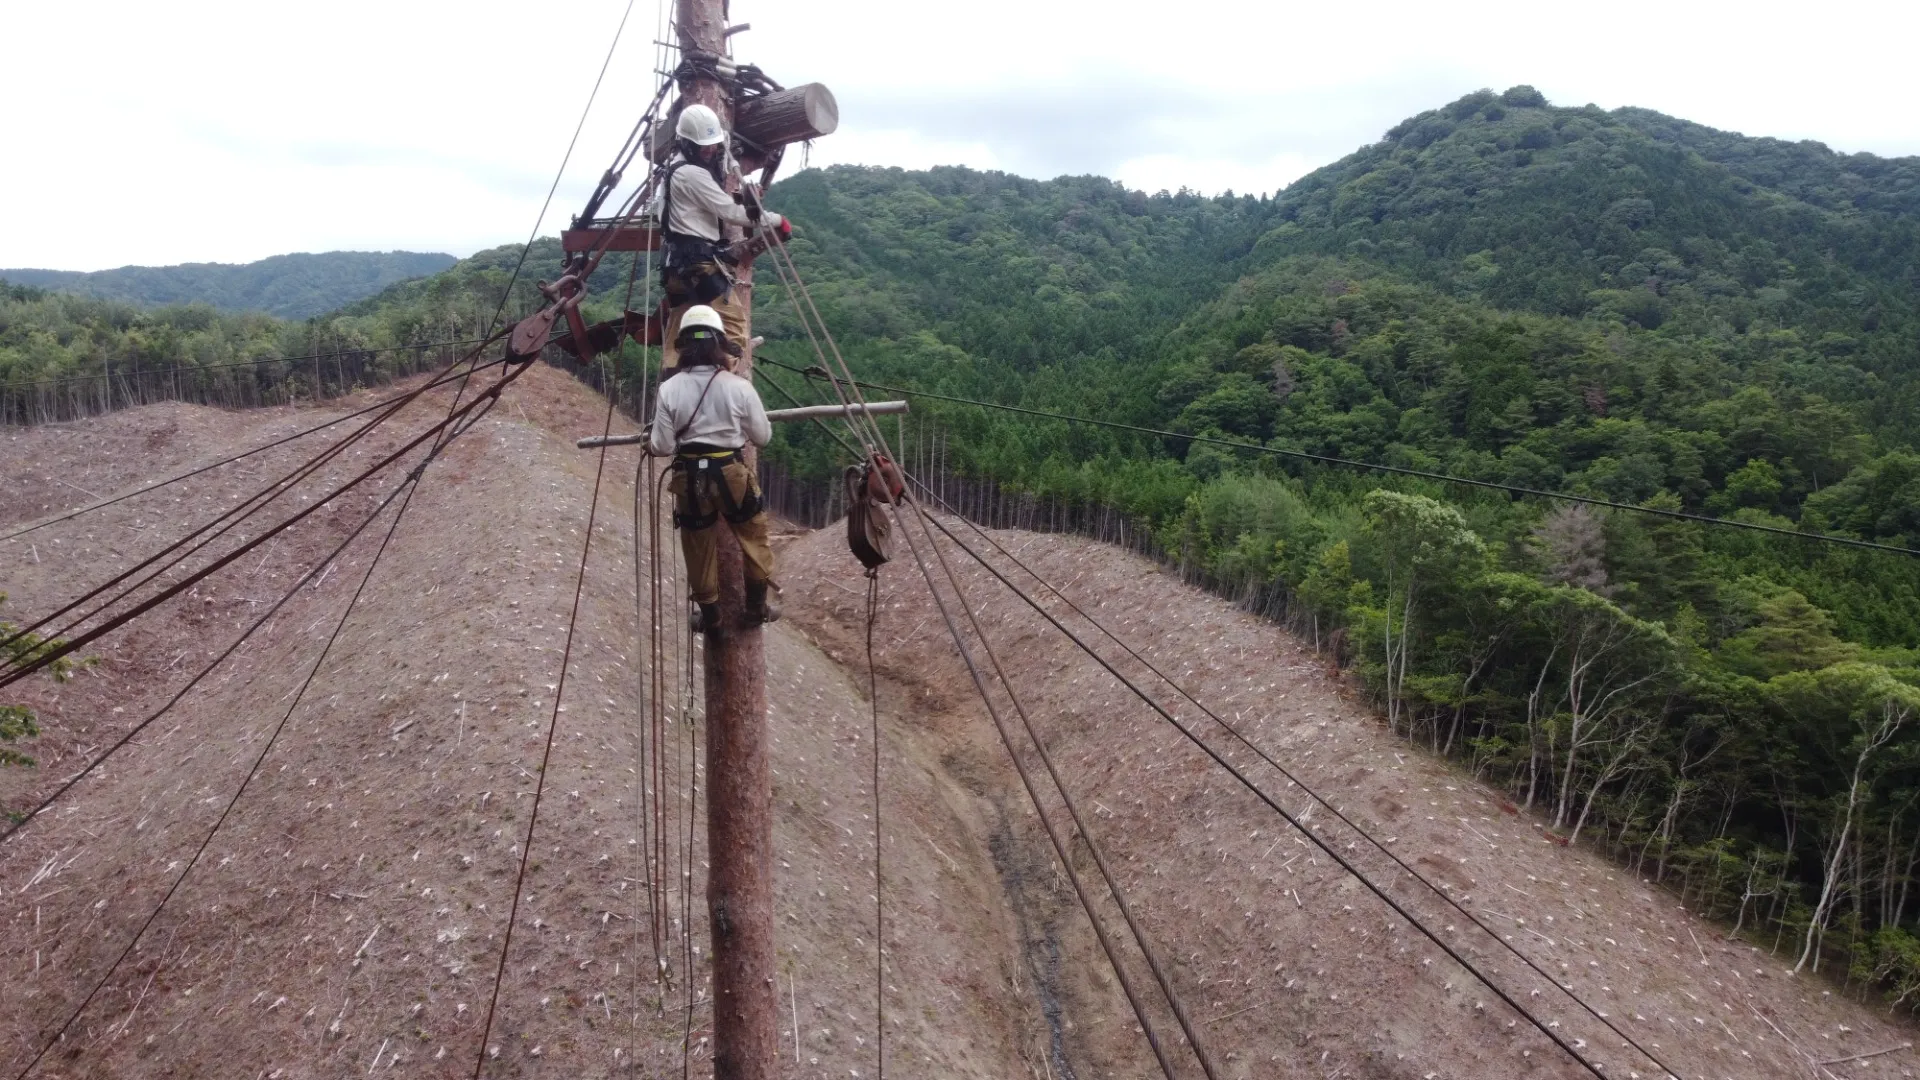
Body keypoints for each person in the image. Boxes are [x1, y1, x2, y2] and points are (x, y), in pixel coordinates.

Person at [648, 304, 780, 634]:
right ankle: (755, 609)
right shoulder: (738, 387)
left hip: (689, 477)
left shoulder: (669, 389)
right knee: (753, 536)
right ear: (719, 344)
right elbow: (762, 437)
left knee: (697, 547)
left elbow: (661, 447)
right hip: (731, 473)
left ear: (684, 347)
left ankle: (712, 619)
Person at [653, 102, 792, 369]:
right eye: (704, 145)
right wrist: (776, 220)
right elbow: (730, 211)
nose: (710, 150)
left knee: (679, 327)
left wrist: (722, 143)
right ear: (688, 143)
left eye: (713, 144)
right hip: (697, 264)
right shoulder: (691, 174)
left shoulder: (674, 167)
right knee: (734, 324)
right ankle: (719, 380)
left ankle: (673, 380)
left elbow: (720, 147)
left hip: (675, 268)